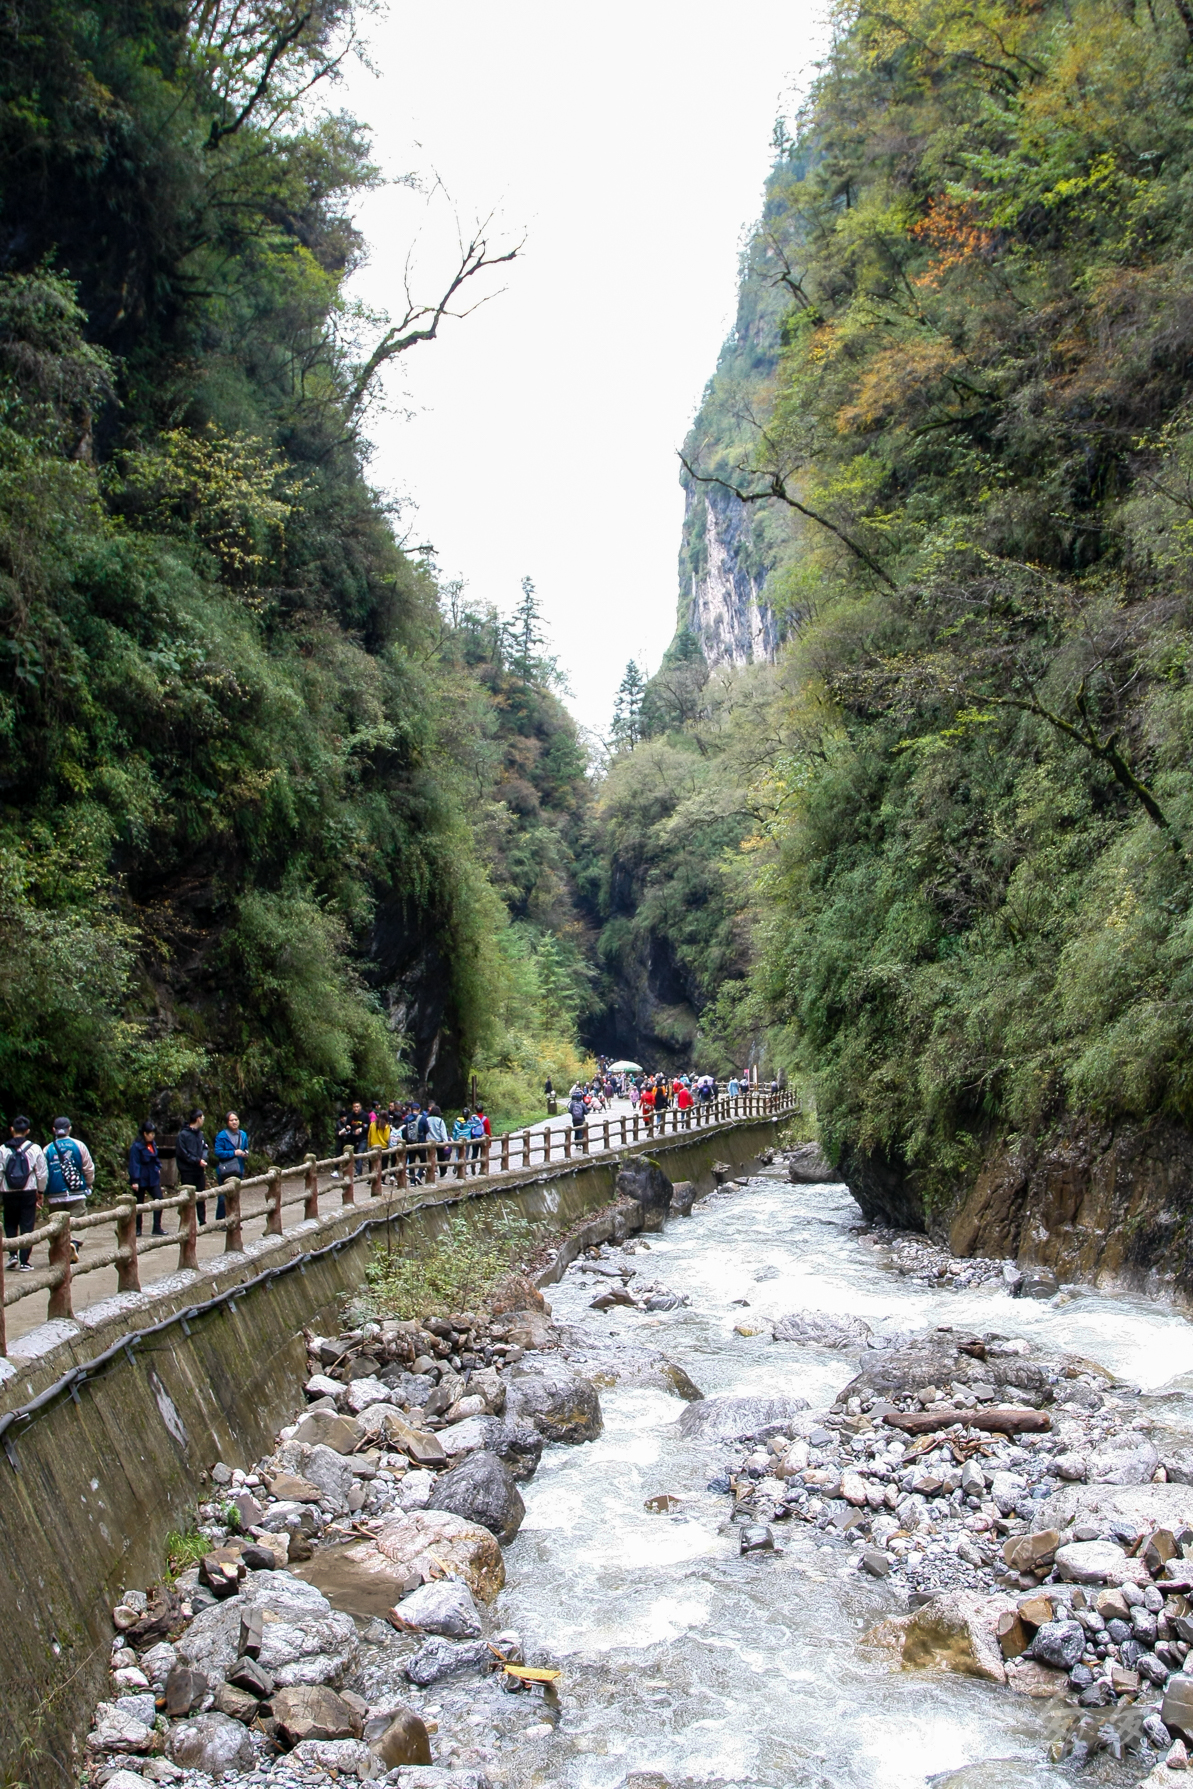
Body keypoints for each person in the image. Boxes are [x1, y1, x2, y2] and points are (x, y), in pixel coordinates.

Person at [45, 1115, 95, 1259]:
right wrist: (89, 1183)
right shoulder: (79, 1146)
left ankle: (60, 1250)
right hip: (76, 1191)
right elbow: (88, 1168)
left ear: (54, 1130)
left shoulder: (47, 1149)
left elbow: (42, 1173)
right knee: (78, 1218)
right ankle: (74, 1243)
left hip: (55, 1193)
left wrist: (41, 1191)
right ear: (69, 1129)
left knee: (56, 1222)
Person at [2, 1116, 47, 1271]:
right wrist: (40, 1191)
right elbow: (41, 1173)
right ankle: (24, 1262)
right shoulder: (35, 1149)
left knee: (10, 1222)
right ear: (27, 1131)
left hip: (8, 1192)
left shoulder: (2, 1149)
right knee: (27, 1224)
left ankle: (12, 1254)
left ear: (12, 1129)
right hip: (28, 1191)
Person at [128, 1119, 163, 1237]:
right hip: (141, 1176)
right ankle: (137, 1228)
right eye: (150, 1134)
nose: (152, 1136)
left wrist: (158, 1166)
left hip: (152, 1176)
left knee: (159, 1199)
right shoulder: (136, 1147)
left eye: (153, 1134)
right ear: (145, 1134)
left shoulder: (152, 1144)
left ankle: (157, 1226)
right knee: (139, 1204)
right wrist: (135, 1180)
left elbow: (155, 1158)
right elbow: (134, 1163)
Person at [175, 1108, 210, 1223]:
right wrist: (196, 1160)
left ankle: (202, 1220)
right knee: (187, 1196)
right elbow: (183, 1153)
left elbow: (205, 1148)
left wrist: (203, 1158)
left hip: (199, 1170)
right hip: (187, 1170)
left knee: (201, 1196)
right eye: (202, 1117)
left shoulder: (200, 1134)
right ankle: (187, 1221)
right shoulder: (183, 1135)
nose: (203, 1119)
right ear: (197, 1119)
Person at [213, 1111, 249, 1220]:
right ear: (227, 1122)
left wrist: (245, 1153)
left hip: (238, 1168)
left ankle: (235, 1219)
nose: (234, 1122)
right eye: (231, 1120)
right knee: (223, 1196)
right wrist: (233, 1153)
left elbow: (246, 1147)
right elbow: (218, 1152)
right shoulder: (222, 1136)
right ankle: (220, 1220)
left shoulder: (243, 1135)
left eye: (236, 1120)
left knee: (235, 1196)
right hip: (225, 1169)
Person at [425, 1103, 449, 1177]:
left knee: (430, 1157)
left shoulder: (427, 1119)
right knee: (441, 1157)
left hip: (429, 1141)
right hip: (439, 1141)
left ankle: (431, 1171)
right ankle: (443, 1172)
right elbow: (443, 1132)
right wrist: (446, 1143)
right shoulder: (440, 1120)